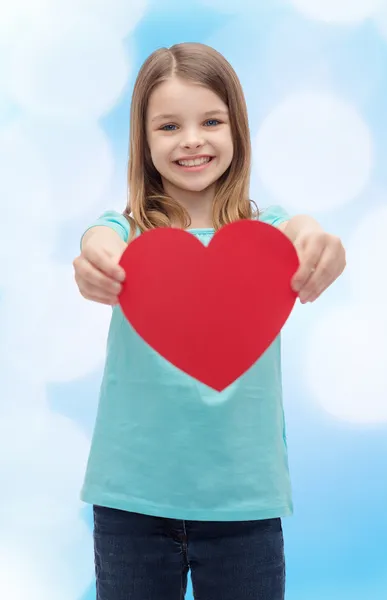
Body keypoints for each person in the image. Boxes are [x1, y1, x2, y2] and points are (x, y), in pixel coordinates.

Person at [73, 42, 346, 600]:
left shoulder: (269, 233)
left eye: (211, 121)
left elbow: (303, 233)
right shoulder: (127, 233)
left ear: (237, 130)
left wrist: (318, 238)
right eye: (169, 125)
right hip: (132, 503)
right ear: (144, 142)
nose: (192, 139)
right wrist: (94, 260)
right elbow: (97, 242)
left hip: (244, 505)